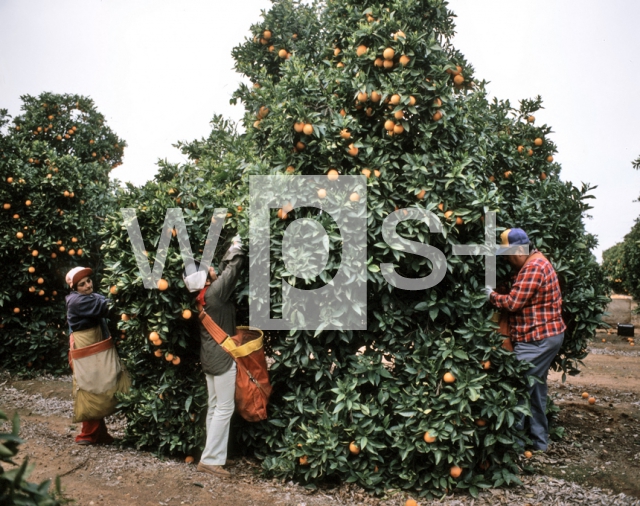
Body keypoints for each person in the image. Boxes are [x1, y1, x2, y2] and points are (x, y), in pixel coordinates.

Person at [484, 228, 566, 452]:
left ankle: (514, 447)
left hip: (539, 339)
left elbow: (512, 303)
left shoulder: (534, 267)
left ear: (519, 251)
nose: (508, 261)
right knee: (535, 390)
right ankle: (540, 442)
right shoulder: (532, 264)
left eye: (508, 255)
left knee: (517, 388)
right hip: (542, 337)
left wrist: (491, 295)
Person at [183, 236, 244, 478]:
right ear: (206, 276)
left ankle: (214, 454)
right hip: (222, 358)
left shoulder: (203, 297)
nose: (212, 267)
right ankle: (210, 459)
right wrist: (236, 246)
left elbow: (221, 273)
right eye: (208, 267)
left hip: (209, 358)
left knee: (215, 406)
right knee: (225, 408)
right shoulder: (216, 293)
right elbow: (234, 268)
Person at [65, 266, 115, 445]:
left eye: (88, 281)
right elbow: (105, 305)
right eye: (82, 284)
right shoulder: (78, 301)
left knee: (97, 383)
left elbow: (100, 299)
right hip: (84, 345)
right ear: (74, 288)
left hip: (92, 343)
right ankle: (87, 434)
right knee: (89, 386)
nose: (87, 285)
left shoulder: (88, 296)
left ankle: (99, 433)